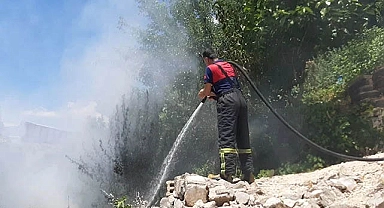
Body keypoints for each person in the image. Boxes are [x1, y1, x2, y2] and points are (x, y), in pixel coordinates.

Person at [198, 48, 255, 184]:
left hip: (227, 101)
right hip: (240, 99)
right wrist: (215, 95)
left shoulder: (210, 68)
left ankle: (227, 174)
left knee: (226, 136)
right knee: (242, 136)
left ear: (206, 59)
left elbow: (206, 91)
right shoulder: (228, 65)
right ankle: (249, 174)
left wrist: (203, 93)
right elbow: (226, 86)